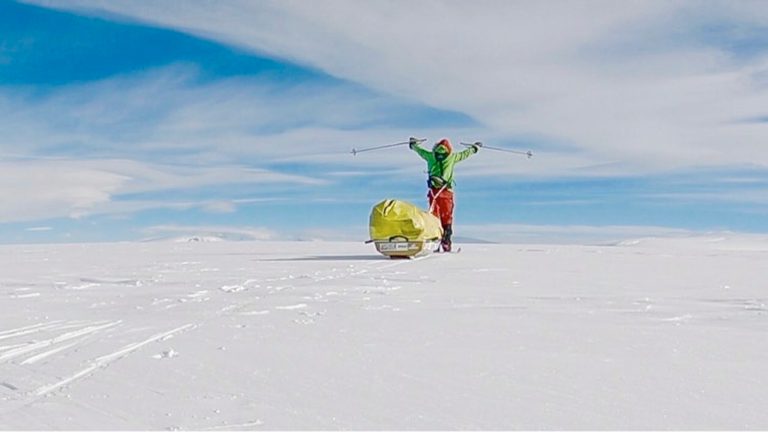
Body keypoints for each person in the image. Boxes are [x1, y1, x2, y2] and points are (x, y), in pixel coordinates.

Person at [409, 137, 481, 252]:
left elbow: (420, 151)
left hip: (433, 192)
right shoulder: (452, 157)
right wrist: (475, 148)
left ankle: (435, 240)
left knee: (434, 216)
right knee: (447, 216)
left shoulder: (430, 156)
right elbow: (465, 154)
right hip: (446, 191)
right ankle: (446, 241)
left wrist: (413, 145)